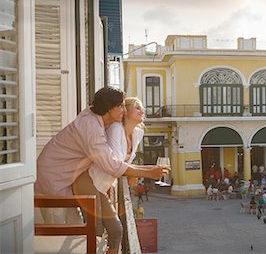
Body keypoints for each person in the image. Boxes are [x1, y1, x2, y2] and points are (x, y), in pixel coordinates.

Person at [35, 88, 168, 253]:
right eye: (120, 106)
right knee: (61, 233)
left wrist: (144, 171)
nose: (124, 110)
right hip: (53, 178)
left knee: (75, 230)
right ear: (108, 107)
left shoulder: (97, 120)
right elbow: (111, 165)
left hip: (63, 177)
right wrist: (148, 172)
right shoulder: (90, 126)